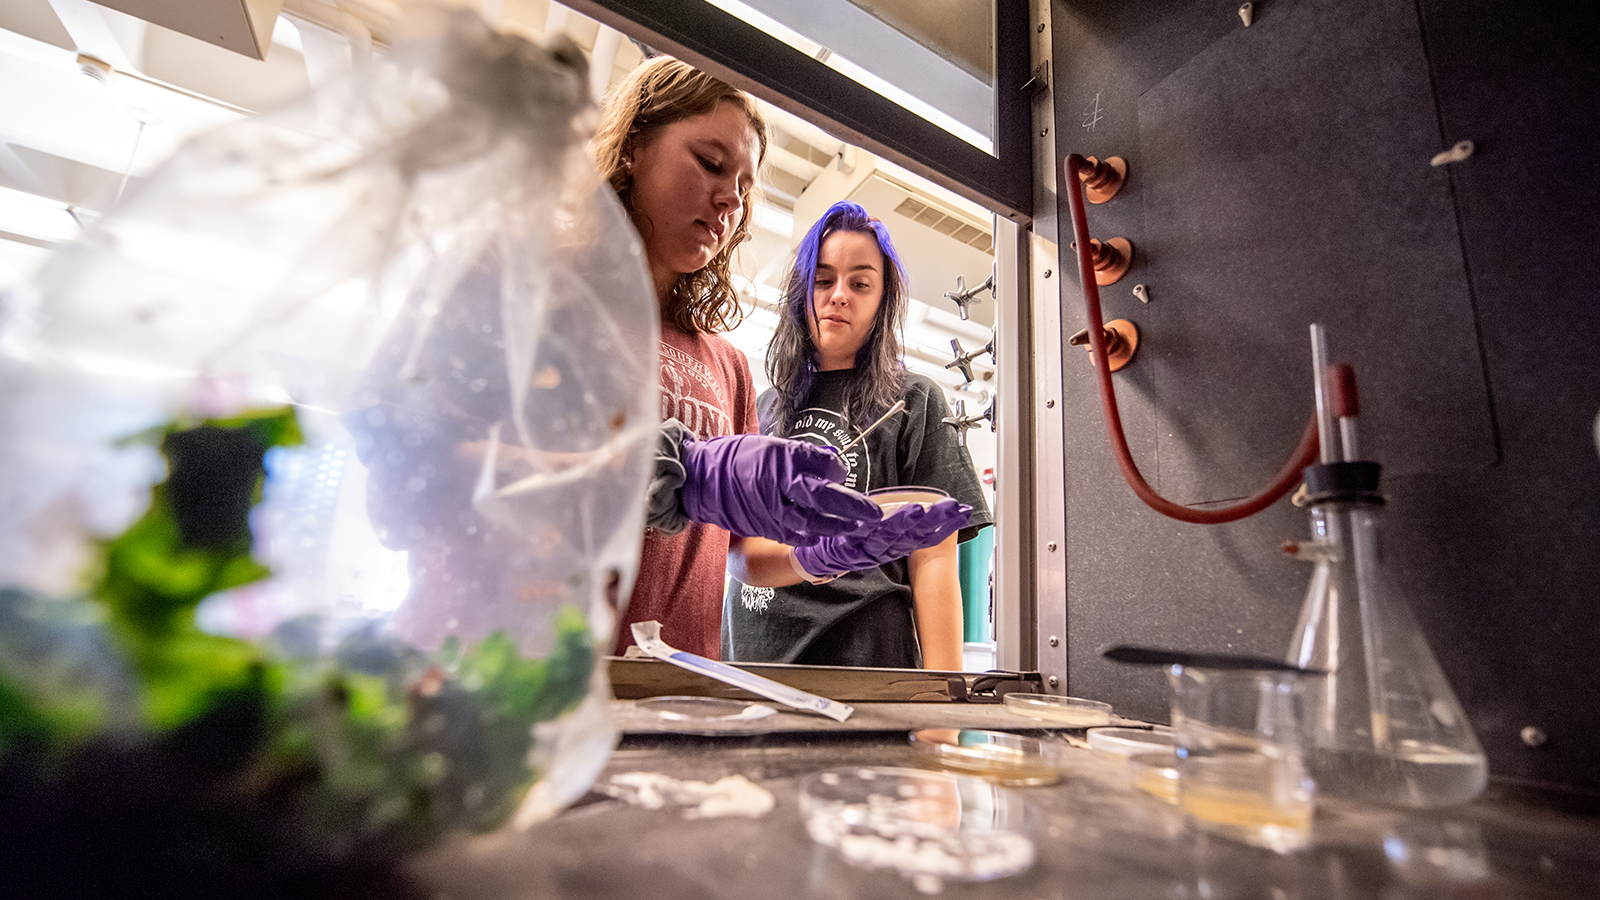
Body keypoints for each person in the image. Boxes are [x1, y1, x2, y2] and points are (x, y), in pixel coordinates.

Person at [724, 201, 991, 670]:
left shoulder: (913, 401)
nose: (839, 295)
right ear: (801, 292)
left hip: (864, 662)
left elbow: (934, 562)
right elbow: (735, 551)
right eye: (823, 280)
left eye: (860, 283)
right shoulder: (762, 406)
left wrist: (942, 705)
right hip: (755, 662)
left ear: (882, 301)